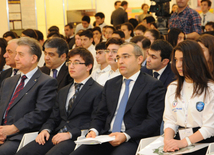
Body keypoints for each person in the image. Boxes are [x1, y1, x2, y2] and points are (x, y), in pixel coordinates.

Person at [70, 42, 165, 155]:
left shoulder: (152, 85)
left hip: (133, 138)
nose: (120, 61)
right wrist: (93, 130)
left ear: (139, 59)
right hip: (106, 137)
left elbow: (153, 120)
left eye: (126, 57)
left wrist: (126, 135)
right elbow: (100, 114)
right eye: (118, 57)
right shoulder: (111, 84)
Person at [16, 47, 103, 155]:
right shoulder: (63, 90)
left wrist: (70, 134)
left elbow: (96, 120)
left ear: (88, 66)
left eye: (76, 63)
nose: (71, 66)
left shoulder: (98, 90)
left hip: (76, 137)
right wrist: (46, 130)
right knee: (24, 152)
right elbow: (54, 117)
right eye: (69, 62)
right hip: (56, 133)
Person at [0, 37, 58, 155]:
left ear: (33, 58)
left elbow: (40, 113)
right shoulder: (8, 81)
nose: (16, 58)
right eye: (16, 54)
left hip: (22, 135)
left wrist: (13, 128)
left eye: (20, 54)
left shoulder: (46, 82)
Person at [163, 40, 214, 155]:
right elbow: (170, 120)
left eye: (183, 60)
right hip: (180, 138)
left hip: (204, 142)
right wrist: (168, 141)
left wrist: (183, 143)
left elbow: (210, 127)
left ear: (195, 60)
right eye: (176, 60)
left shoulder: (210, 89)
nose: (178, 65)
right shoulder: (173, 87)